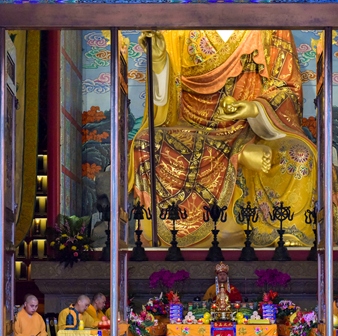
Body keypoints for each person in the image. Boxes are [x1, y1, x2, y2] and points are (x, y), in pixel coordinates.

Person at [129, 30, 317, 248]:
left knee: (299, 154)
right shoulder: (176, 29)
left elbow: (288, 90)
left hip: (254, 131)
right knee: (145, 142)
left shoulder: (270, 28)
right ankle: (238, 155)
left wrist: (253, 108)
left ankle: (285, 230)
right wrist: (158, 61)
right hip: (193, 133)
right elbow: (164, 106)